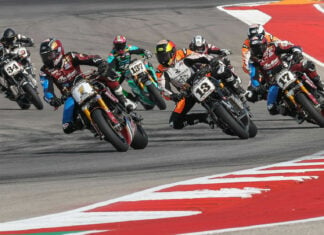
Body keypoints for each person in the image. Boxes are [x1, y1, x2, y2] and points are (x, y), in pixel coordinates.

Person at [39, 38, 136, 134]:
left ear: (58, 52)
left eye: (49, 55)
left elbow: (89, 58)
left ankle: (124, 100)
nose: (47, 59)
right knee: (67, 127)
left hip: (86, 81)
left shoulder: (70, 56)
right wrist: (53, 100)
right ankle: (87, 123)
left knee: (107, 74)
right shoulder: (45, 71)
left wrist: (100, 63)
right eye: (44, 57)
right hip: (70, 95)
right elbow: (47, 91)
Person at [155, 39, 244, 130]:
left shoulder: (182, 53)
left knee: (222, 69)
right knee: (174, 123)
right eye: (160, 57)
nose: (163, 59)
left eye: (164, 56)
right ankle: (205, 118)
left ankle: (238, 89)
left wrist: (210, 60)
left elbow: (198, 56)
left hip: (201, 76)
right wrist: (173, 96)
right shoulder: (160, 70)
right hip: (187, 93)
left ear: (172, 52)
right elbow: (163, 88)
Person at [249, 36, 324, 115]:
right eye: (253, 48)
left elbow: (292, 47)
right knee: (271, 107)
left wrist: (296, 53)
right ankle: (292, 113)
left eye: (258, 47)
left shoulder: (273, 47)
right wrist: (258, 86)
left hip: (288, 69)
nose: (256, 50)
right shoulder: (253, 60)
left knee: (308, 64)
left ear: (264, 44)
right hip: (274, 82)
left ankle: (319, 84)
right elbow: (253, 75)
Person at [242, 24, 280, 102]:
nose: (255, 39)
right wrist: (253, 67)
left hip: (275, 61)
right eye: (252, 37)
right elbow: (245, 61)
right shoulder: (246, 44)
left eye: (258, 36)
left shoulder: (269, 37)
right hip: (261, 67)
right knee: (250, 95)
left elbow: (280, 44)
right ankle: (273, 100)